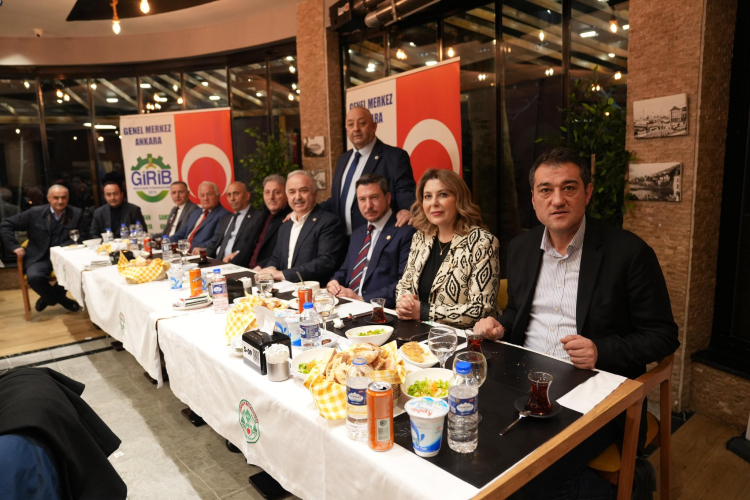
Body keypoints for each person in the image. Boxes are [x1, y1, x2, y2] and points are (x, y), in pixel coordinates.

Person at [473, 148, 680, 500]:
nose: (557, 200)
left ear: (587, 193)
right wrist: (500, 326)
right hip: (521, 377)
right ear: (534, 199)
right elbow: (518, 311)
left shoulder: (629, 253)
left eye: (568, 188)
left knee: (536, 476)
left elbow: (663, 336)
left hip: (594, 390)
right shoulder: (522, 247)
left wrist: (601, 350)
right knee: (476, 438)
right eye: (546, 190)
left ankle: (630, 485)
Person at [395, 169, 500, 328]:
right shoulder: (421, 237)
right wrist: (405, 302)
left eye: (443, 195)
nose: (434, 203)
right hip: (419, 332)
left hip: (465, 338)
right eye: (428, 196)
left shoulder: (482, 242)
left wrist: (424, 311)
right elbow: (404, 285)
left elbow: (481, 309)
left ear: (459, 199)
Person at [320, 106, 416, 234]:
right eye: (350, 125)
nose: (356, 129)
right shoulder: (343, 159)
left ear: (374, 127)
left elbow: (405, 194)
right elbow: (337, 201)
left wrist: (407, 210)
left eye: (362, 123)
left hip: (378, 238)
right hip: (342, 239)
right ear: (346, 129)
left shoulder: (395, 157)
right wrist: (307, 211)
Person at [327, 173, 414, 308]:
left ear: (388, 198)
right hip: (347, 306)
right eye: (362, 199)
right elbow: (346, 269)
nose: (368, 206)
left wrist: (362, 299)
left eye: (374, 197)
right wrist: (334, 282)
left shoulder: (405, 232)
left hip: (381, 310)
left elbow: (407, 283)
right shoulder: (358, 234)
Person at [0, 185, 90, 312]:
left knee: (77, 272)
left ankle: (48, 298)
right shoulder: (34, 213)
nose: (60, 201)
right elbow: (6, 224)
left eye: (63, 197)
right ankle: (59, 299)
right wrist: (15, 246)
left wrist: (64, 249)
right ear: (48, 198)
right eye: (56, 198)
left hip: (66, 258)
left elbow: (83, 236)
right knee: (34, 277)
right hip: (40, 257)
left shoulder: (76, 213)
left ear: (68, 198)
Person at [260, 170, 346, 283]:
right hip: (284, 287)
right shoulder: (286, 225)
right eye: (292, 192)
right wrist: (269, 270)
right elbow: (276, 258)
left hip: (314, 289)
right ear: (287, 196)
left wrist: (283, 274)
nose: (297, 197)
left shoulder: (329, 222)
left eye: (303, 191)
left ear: (315, 194)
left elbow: (325, 262)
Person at [233, 174, 292, 269]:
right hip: (247, 270)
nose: (271, 197)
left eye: (277, 192)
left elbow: (283, 254)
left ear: (287, 194)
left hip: (266, 272)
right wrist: (230, 266)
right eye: (267, 192)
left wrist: (261, 267)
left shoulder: (290, 218)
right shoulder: (263, 216)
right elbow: (247, 247)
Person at [197, 181, 260, 263]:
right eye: (229, 195)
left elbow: (255, 245)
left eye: (236, 194)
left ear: (247, 196)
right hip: (217, 262)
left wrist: (237, 254)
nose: (232, 199)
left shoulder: (257, 217)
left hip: (238, 264)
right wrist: (201, 256)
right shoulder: (226, 218)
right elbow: (215, 242)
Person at [171, 181, 229, 252]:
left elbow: (217, 239)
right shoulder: (195, 213)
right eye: (202, 195)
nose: (206, 198)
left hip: (201, 253)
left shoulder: (224, 214)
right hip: (185, 252)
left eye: (209, 194)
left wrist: (202, 248)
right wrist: (166, 241)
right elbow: (181, 233)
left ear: (218, 196)